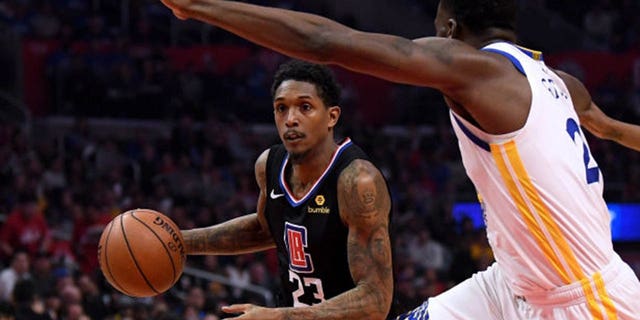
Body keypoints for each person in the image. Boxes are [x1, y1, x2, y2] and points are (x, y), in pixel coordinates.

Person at [160, 0, 640, 318]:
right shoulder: (560, 82)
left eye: (436, 33)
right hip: (511, 285)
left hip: (588, 301)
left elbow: (325, 43)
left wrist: (200, 6)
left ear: (449, 32)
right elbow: (614, 130)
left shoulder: (478, 72)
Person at [181, 60, 394, 319]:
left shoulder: (357, 181)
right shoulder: (268, 165)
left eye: (305, 107)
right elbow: (265, 228)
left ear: (332, 116)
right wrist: (180, 242)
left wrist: (278, 316)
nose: (291, 119)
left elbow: (376, 299)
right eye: (281, 108)